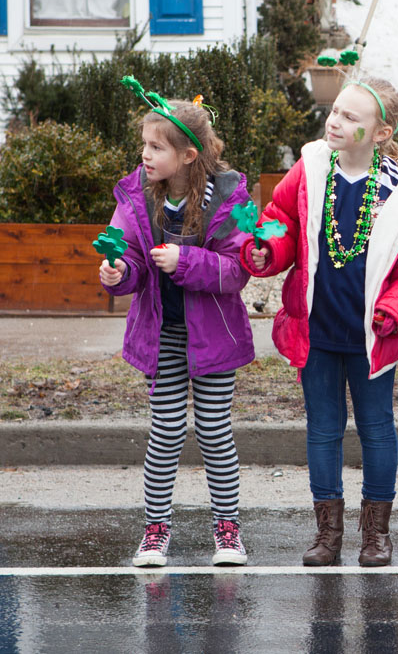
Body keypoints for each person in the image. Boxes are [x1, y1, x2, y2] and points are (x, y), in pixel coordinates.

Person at [241, 76, 398, 567]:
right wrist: (265, 251)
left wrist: (396, 308)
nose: (335, 120)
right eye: (335, 111)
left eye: (351, 117)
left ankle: (376, 534)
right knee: (322, 429)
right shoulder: (309, 169)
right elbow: (279, 222)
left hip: (374, 333)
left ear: (381, 133)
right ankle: (327, 534)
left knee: (377, 429)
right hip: (317, 330)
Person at [100, 82, 255, 568]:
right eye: (144, 144)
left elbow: (237, 271)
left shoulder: (230, 198)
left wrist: (185, 261)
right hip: (161, 332)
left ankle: (227, 530)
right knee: (165, 430)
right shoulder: (135, 196)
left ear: (189, 154)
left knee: (214, 430)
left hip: (213, 338)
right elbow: (126, 254)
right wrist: (119, 272)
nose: (144, 155)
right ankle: (155, 529)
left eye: (156, 147)